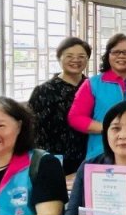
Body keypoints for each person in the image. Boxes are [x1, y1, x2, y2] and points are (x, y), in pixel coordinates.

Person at [68, 33, 126, 161]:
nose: (121, 56)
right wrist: (109, 128)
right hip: (100, 154)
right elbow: (76, 118)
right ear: (108, 55)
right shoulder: (93, 83)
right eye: (115, 52)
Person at [28, 37, 91, 174]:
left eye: (81, 56)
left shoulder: (94, 87)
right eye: (69, 56)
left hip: (90, 157)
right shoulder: (44, 91)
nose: (76, 60)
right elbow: (35, 129)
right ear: (59, 58)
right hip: (56, 160)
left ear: (87, 59)